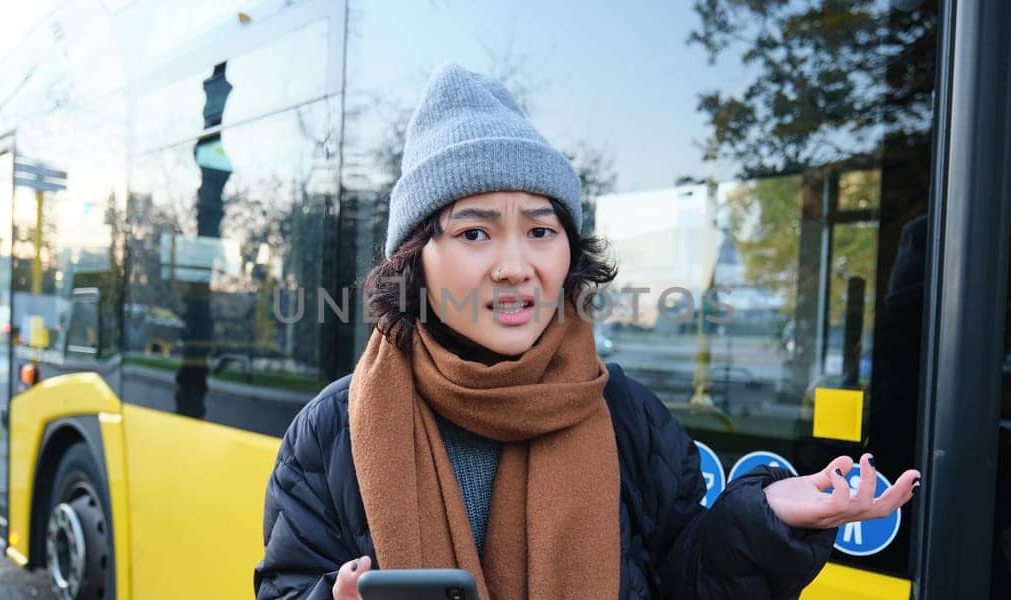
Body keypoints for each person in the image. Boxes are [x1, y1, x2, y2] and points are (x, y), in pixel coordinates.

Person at [254, 64, 921, 600]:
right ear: (415, 261)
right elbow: (284, 586)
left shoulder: (629, 416)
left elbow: (685, 577)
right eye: (475, 232)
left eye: (542, 231)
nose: (516, 266)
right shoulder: (333, 432)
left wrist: (767, 517)